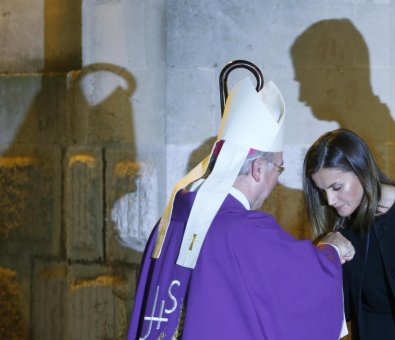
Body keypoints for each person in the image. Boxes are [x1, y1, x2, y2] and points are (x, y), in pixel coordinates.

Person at [127, 77, 354, 339]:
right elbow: (301, 283)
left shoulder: (172, 219)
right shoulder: (245, 230)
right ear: (258, 169)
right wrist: (332, 250)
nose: (276, 179)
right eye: (278, 169)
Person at [303, 128, 395, 340]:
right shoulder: (341, 233)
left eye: (337, 187)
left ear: (361, 169)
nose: (330, 200)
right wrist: (324, 253)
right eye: (322, 191)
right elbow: (331, 312)